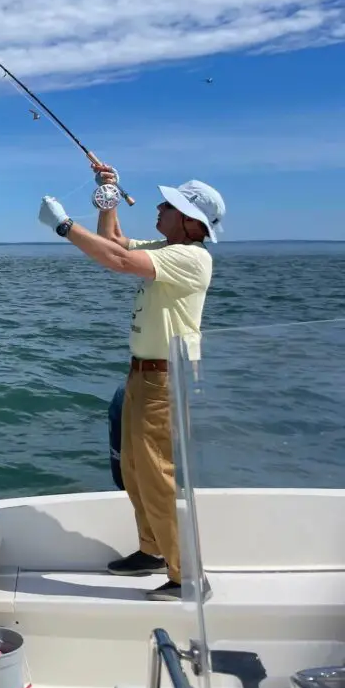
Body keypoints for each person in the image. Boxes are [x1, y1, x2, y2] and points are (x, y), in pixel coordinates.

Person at [37, 164, 226, 601]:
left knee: (157, 474)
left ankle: (188, 577)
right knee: (134, 470)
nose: (160, 207)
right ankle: (152, 550)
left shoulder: (191, 258)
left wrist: (65, 226)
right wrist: (108, 194)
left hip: (165, 381)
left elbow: (118, 260)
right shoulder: (166, 247)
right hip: (142, 375)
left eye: (171, 205)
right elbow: (115, 243)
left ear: (191, 222)